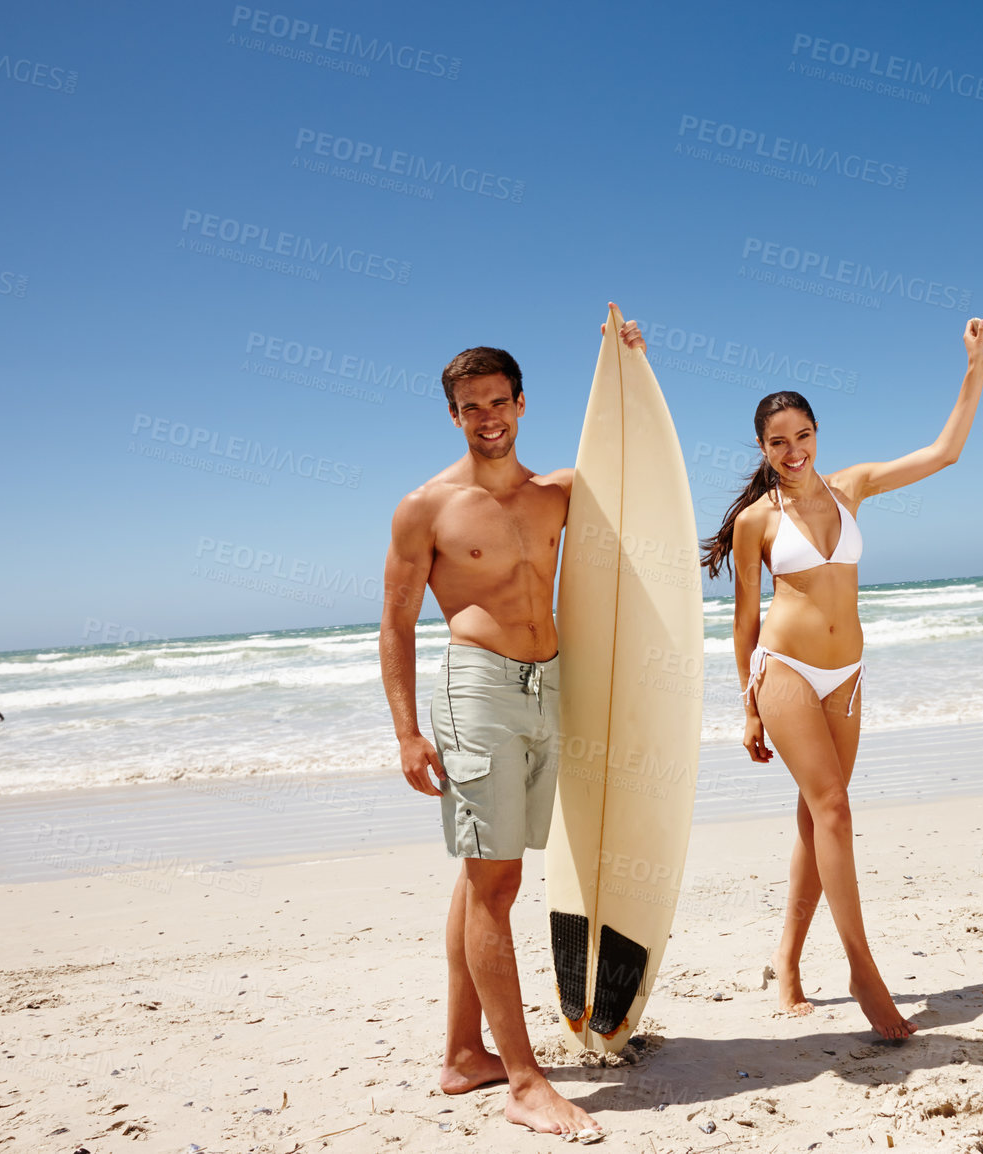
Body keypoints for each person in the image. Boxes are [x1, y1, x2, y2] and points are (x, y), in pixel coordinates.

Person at [380, 308, 645, 1136]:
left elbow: (641, 477)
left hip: (548, 686)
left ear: (522, 404)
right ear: (454, 416)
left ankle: (465, 1054)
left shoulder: (559, 494)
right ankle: (525, 1082)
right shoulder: (427, 509)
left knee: (486, 875)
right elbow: (394, 624)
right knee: (495, 883)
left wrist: (630, 370)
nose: (487, 419)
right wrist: (405, 731)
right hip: (477, 687)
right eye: (470, 408)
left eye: (499, 402)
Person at [700, 317, 983, 1040]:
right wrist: (748, 707)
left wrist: (976, 369)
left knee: (814, 817)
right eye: (777, 442)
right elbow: (743, 620)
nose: (792, 451)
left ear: (817, 435)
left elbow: (945, 452)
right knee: (834, 812)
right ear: (762, 450)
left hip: (848, 674)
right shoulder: (755, 523)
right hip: (786, 670)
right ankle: (864, 973)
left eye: (801, 436)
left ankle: (788, 961)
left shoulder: (851, 487)